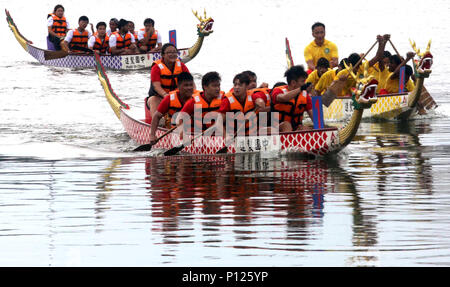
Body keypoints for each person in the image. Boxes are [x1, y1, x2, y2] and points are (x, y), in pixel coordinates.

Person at [146, 43, 190, 124]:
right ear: (163, 55)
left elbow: (190, 83)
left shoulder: (181, 66)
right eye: (169, 52)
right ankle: (158, 125)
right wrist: (166, 96)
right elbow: (156, 86)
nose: (172, 54)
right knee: (153, 100)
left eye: (174, 52)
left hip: (177, 97)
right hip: (159, 98)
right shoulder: (156, 67)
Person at [148, 72, 196, 144]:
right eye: (186, 85)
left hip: (195, 132)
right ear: (178, 86)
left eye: (191, 85)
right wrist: (152, 135)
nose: (189, 88)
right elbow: (157, 116)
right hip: (174, 131)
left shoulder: (198, 98)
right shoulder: (169, 99)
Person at [270, 65, 314, 132]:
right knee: (286, 125)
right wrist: (301, 88)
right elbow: (283, 98)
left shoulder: (305, 96)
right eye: (302, 81)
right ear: (293, 82)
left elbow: (314, 117)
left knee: (307, 128)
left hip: (295, 127)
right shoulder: (278, 90)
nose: (304, 84)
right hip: (276, 128)